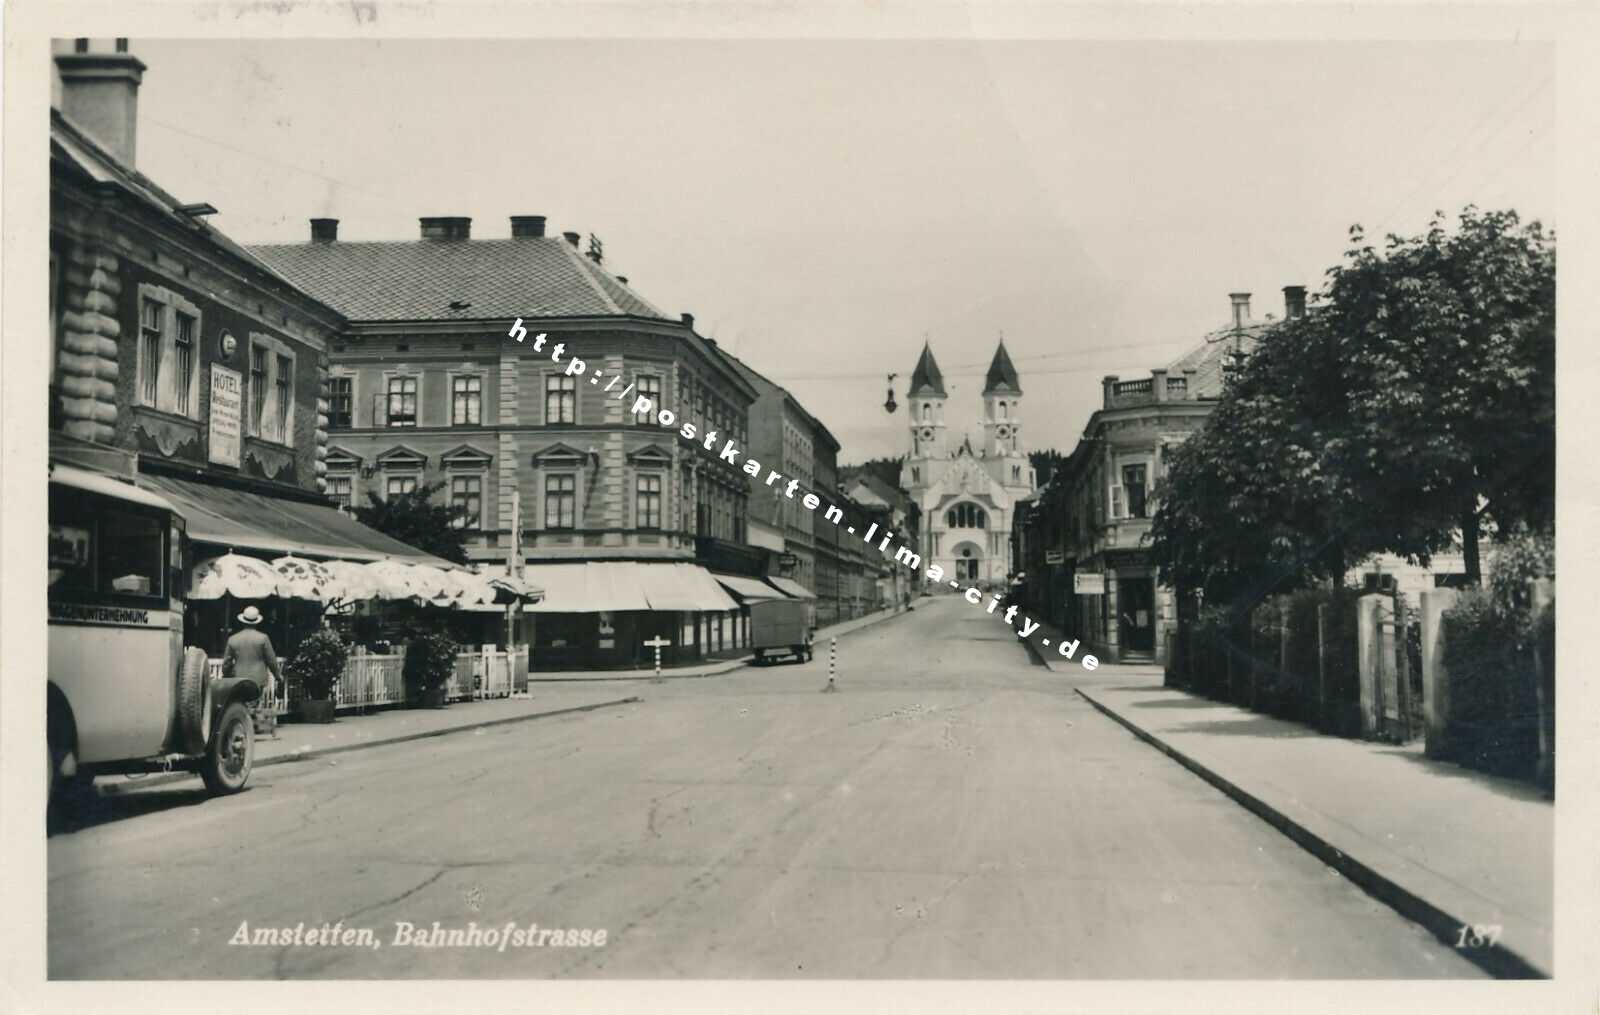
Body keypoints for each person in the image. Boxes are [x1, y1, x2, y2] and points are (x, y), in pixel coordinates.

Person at [223, 605, 282, 736]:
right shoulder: (263, 638)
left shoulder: (233, 639)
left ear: (242, 620)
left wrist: (226, 676)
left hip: (238, 678)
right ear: (257, 622)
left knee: (241, 703)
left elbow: (226, 663)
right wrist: (278, 676)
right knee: (254, 704)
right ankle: (251, 730)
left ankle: (242, 729)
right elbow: (271, 660)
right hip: (258, 678)